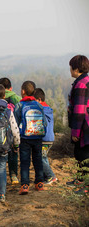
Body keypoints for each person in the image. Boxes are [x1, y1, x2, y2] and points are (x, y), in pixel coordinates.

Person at [14, 81, 47, 195]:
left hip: (25, 138)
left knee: (25, 162)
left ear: (23, 91)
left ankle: (25, 185)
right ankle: (39, 183)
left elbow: (15, 123)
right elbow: (45, 123)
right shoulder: (38, 105)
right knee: (38, 160)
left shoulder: (19, 105)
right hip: (37, 137)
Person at [67, 55, 89, 194]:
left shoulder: (81, 84)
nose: (70, 70)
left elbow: (80, 109)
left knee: (83, 155)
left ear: (76, 68)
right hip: (84, 124)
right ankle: (81, 180)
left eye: (70, 67)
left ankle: (85, 185)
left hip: (84, 125)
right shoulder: (85, 80)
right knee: (79, 153)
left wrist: (75, 132)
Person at [0, 77, 21, 185]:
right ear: (10, 88)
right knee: (13, 153)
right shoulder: (16, 98)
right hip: (12, 129)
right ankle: (13, 175)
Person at [33, 88, 57, 185]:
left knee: (41, 158)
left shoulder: (41, 110)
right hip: (49, 138)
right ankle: (44, 176)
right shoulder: (48, 109)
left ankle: (51, 176)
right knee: (43, 157)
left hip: (44, 138)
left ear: (39, 100)